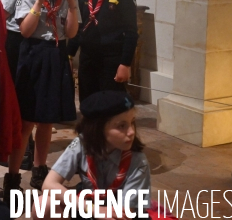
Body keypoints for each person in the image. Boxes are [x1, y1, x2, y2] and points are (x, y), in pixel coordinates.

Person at [14, 0, 79, 191]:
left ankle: (40, 170)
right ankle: (13, 174)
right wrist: (39, 2)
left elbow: (71, 32)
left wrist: (72, 4)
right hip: (34, 55)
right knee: (26, 121)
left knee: (47, 121)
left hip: (56, 54)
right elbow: (25, 30)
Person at [32, 91, 150, 219]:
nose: (131, 132)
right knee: (43, 204)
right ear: (98, 128)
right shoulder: (81, 144)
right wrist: (93, 209)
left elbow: (124, 213)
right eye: (121, 126)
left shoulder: (138, 161)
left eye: (132, 122)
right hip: (90, 205)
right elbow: (49, 184)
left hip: (120, 213)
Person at [69, 0, 138, 102]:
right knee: (87, 99)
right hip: (87, 57)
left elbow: (131, 33)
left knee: (109, 102)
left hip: (111, 59)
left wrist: (125, 64)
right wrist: (70, 54)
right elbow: (78, 28)